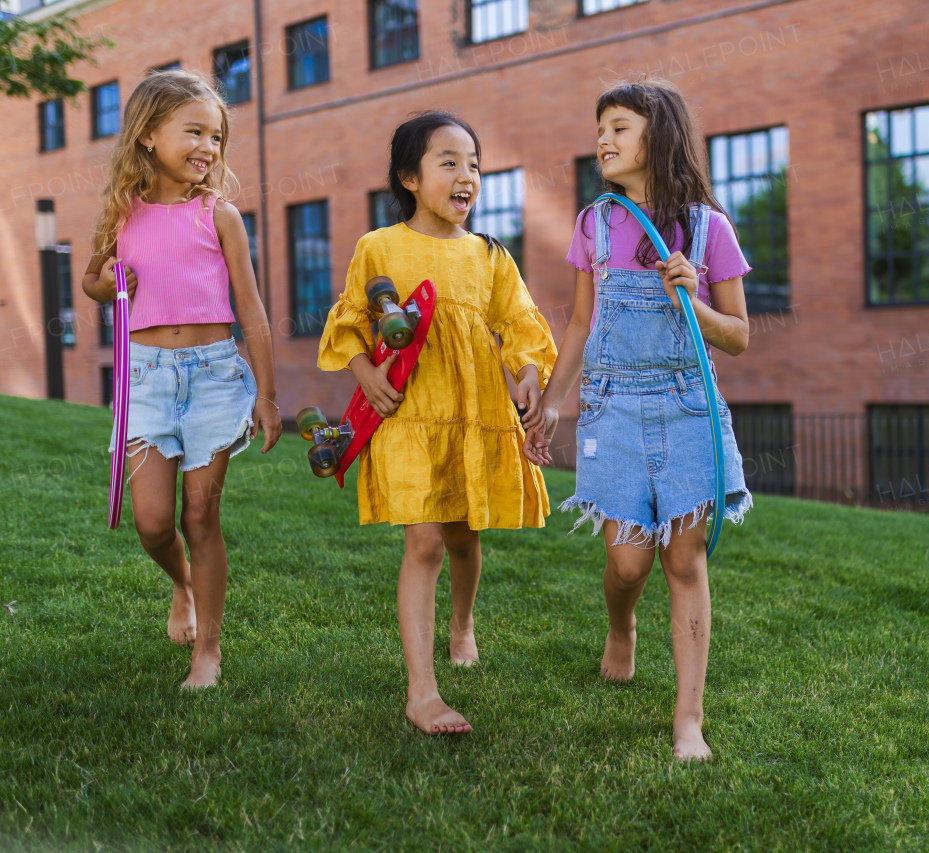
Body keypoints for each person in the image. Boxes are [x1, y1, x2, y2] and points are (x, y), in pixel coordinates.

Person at [524, 79, 752, 760]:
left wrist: (695, 297)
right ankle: (620, 625)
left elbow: (738, 335)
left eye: (619, 127)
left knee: (684, 558)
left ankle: (689, 719)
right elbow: (583, 324)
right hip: (614, 407)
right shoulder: (596, 223)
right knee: (627, 563)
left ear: (661, 135)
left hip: (687, 406)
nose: (604, 140)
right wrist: (557, 403)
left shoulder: (710, 229)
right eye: (601, 128)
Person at [318, 111, 557, 735]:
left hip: (473, 411)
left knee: (462, 535)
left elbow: (522, 327)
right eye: (448, 162)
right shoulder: (380, 246)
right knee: (423, 540)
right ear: (409, 177)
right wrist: (365, 370)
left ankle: (463, 624)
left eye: (474, 164)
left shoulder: (491, 256)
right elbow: (349, 320)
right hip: (408, 411)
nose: (466, 176)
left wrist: (529, 372)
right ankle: (421, 693)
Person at [81, 70, 282, 689]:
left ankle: (209, 652)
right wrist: (108, 277)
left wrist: (268, 397)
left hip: (215, 375)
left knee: (201, 514)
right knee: (152, 523)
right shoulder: (122, 212)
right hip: (144, 377)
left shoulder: (219, 215)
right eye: (193, 131)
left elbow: (250, 308)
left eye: (216, 137)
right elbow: (91, 282)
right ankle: (183, 583)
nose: (209, 147)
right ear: (146, 135)